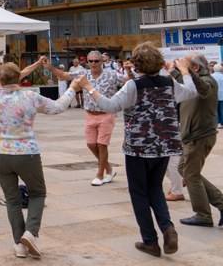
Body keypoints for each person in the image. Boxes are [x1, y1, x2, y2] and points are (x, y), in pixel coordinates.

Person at [76, 44, 199, 257]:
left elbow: (110, 105)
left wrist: (88, 86)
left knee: (139, 193)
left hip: (139, 147)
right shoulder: (169, 82)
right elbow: (190, 92)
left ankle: (150, 241)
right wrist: (185, 72)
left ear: (137, 63)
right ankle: (167, 228)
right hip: (164, 145)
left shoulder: (134, 85)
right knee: (155, 188)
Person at [0, 62, 74, 259]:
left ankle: (18, 244)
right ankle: (30, 233)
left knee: (12, 199)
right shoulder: (29, 96)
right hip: (25, 152)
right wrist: (73, 88)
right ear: (19, 78)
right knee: (37, 192)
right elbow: (57, 107)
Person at [46, 50, 122, 186]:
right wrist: (49, 66)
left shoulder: (111, 74)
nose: (93, 63)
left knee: (102, 145)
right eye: (90, 61)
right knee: (91, 144)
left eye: (96, 61)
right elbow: (64, 75)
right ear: (87, 62)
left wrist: (131, 71)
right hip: (90, 114)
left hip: (106, 114)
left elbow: (128, 80)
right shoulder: (83, 74)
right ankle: (108, 168)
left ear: (102, 62)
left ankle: (100, 174)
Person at [171, 53, 223, 228]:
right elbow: (181, 81)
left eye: (186, 66)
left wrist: (187, 72)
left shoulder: (207, 81)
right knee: (184, 169)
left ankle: (203, 215)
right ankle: (221, 203)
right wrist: (170, 69)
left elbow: (203, 89)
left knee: (191, 174)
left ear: (195, 68)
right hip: (191, 137)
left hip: (199, 137)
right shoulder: (191, 83)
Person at [213, 64, 223, 128]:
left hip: (214, 95)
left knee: (215, 110)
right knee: (222, 110)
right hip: (222, 95)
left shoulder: (211, 76)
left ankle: (217, 122)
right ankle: (222, 123)